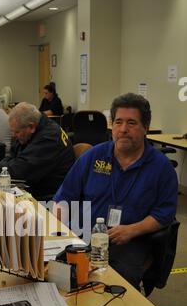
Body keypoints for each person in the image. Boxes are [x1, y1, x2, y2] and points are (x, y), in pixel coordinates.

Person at [53, 93, 178, 289]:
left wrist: (132, 230)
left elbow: (165, 214)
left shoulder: (161, 168)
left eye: (131, 123)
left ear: (145, 127)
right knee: (57, 273)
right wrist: (56, 228)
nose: (123, 130)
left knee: (113, 284)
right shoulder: (94, 156)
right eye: (118, 122)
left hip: (130, 240)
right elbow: (65, 197)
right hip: (86, 233)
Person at [0, 102, 75, 201]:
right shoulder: (35, 127)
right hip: (38, 185)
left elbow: (21, 169)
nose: (14, 135)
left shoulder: (49, 138)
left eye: (17, 132)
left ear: (31, 127)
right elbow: (13, 155)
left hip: (50, 198)